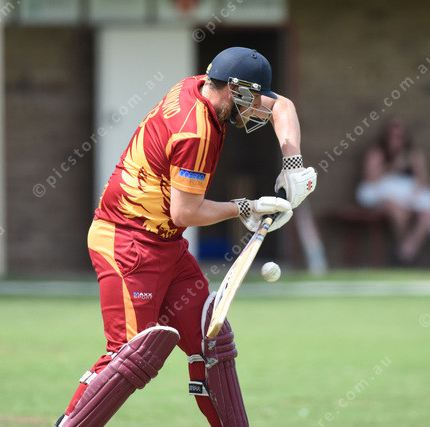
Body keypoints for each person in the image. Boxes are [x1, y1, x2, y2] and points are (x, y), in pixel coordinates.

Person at [55, 47, 317, 426]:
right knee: (128, 356)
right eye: (252, 99)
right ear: (235, 89)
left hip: (165, 243)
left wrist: (292, 166)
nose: (255, 110)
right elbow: (186, 213)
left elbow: (283, 106)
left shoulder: (199, 85)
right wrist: (247, 207)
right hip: (126, 240)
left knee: (212, 344)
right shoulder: (196, 132)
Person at [356, 118, 430, 263]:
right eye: (392, 136)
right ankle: (402, 251)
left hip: (409, 195)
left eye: (399, 136)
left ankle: (407, 251)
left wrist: (413, 169)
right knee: (398, 211)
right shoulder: (377, 152)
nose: (396, 140)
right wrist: (393, 166)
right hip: (384, 195)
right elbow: (370, 178)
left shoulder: (413, 153)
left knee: (429, 213)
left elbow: (423, 181)